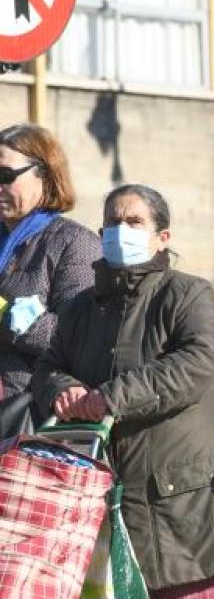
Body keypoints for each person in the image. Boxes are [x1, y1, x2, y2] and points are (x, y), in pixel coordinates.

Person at [34, 184, 214, 599]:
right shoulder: (82, 305)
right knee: (90, 588)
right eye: (112, 219)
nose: (120, 230)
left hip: (176, 473)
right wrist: (62, 389)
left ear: (163, 236)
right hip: (100, 472)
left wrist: (111, 396)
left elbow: (198, 363)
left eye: (134, 221)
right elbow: (51, 365)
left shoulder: (188, 293)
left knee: (182, 591)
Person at [0, 124, 99, 422]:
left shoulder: (73, 243)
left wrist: (9, 316)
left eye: (6, 176)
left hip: (24, 413)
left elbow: (81, 339)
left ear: (46, 174)